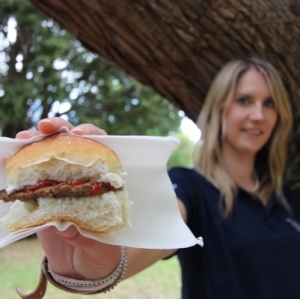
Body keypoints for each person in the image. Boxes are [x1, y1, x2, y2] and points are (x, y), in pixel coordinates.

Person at [15, 57, 300, 299]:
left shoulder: (290, 200)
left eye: (270, 103)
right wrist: (94, 266)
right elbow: (160, 229)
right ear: (220, 109)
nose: (258, 115)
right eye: (244, 100)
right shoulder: (190, 188)